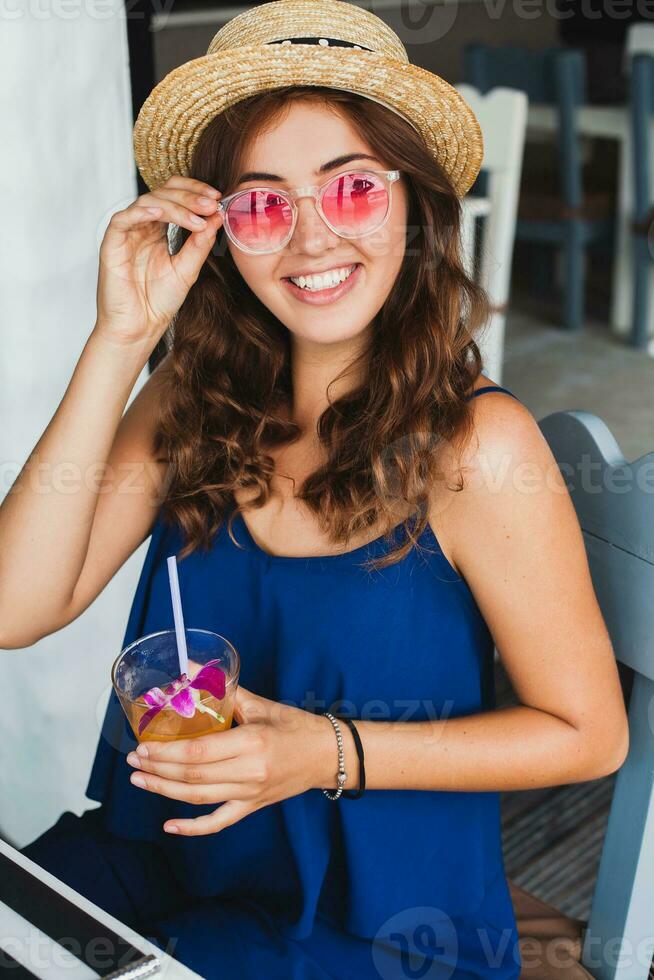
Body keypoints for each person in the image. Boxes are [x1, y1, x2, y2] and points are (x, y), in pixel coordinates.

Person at [2, 1, 628, 977]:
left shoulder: (478, 446)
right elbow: (13, 607)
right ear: (216, 231)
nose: (308, 239)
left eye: (351, 190)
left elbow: (590, 734)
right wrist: (118, 338)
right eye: (261, 203)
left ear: (413, 203)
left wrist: (323, 755)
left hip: (375, 925)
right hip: (165, 854)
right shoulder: (191, 397)